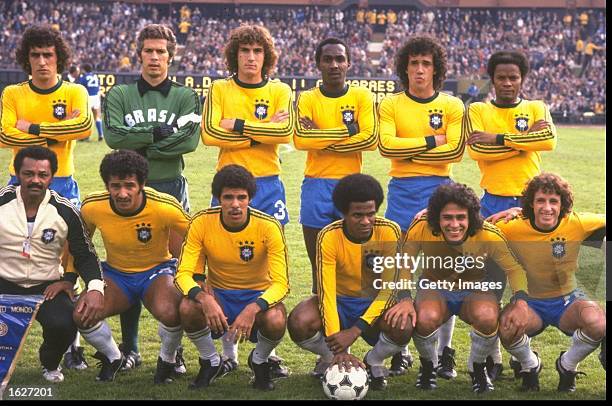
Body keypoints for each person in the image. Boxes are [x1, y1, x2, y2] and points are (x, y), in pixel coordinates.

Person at [103, 24, 200, 371]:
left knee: (177, 270)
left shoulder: (186, 96)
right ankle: (130, 348)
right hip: (131, 191)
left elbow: (189, 142)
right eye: (149, 51)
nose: (155, 57)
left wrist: (140, 142)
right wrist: (156, 135)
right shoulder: (119, 94)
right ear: (139, 54)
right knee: (130, 266)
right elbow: (114, 137)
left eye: (161, 51)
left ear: (171, 56)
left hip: (171, 188)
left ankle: (173, 353)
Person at [201, 24, 293, 373]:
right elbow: (210, 134)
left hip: (269, 183)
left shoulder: (280, 89)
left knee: (271, 258)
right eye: (245, 51)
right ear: (235, 55)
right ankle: (229, 352)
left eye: (257, 51)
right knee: (219, 256)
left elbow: (284, 133)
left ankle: (264, 350)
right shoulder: (220, 87)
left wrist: (235, 126)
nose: (251, 57)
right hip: (227, 184)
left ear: (266, 56)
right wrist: (262, 129)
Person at [377, 35, 465, 377]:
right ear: (405, 67)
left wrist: (408, 148)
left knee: (444, 273)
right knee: (399, 273)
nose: (419, 69)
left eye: (426, 63)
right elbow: (386, 147)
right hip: (401, 192)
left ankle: (445, 352)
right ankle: (399, 348)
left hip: (442, 192)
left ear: (436, 68)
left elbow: (455, 151)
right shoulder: (390, 104)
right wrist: (432, 141)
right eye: (413, 63)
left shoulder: (453, 105)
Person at [466, 50, 557, 378]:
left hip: (532, 207)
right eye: (501, 77)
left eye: (513, 77)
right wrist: (524, 140)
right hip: (492, 203)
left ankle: (523, 357)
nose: (507, 83)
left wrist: (500, 138)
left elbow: (547, 141)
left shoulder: (536, 107)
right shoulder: (478, 109)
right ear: (492, 79)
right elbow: (477, 148)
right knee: (490, 283)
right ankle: (492, 358)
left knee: (527, 286)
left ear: (523, 79)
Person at [287, 173, 414, 391]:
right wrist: (339, 350)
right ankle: (329, 358)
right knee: (299, 321)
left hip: (375, 302)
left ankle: (373, 360)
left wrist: (355, 330)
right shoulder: (328, 236)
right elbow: (325, 292)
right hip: (339, 301)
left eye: (370, 214)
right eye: (357, 215)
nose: (366, 221)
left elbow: (388, 291)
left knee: (404, 323)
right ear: (344, 213)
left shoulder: (389, 231)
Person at [76, 149, 192, 384]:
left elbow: (197, 237)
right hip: (116, 275)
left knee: (171, 310)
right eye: (115, 185)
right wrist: (78, 280)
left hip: (157, 272)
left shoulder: (164, 205)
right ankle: (114, 357)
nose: (122, 193)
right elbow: (79, 245)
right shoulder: (92, 206)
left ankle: (168, 358)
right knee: (82, 314)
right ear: (107, 185)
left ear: (142, 184)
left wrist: (194, 276)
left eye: (129, 185)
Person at [403, 182, 529, 393]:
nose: (454, 224)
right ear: (436, 217)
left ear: (470, 217)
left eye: (460, 217)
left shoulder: (487, 234)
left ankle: (477, 368)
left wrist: (521, 302)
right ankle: (429, 366)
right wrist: (405, 298)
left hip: (474, 288)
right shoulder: (422, 226)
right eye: (447, 217)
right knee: (424, 318)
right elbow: (404, 263)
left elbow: (515, 270)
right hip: (434, 287)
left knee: (488, 317)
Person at [175, 164, 289, 391]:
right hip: (219, 296)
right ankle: (210, 361)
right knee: (188, 307)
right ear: (218, 198)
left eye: (241, 197)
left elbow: (282, 283)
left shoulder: (268, 226)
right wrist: (204, 298)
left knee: (276, 319)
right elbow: (183, 274)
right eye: (228, 197)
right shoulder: (201, 222)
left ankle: (259, 362)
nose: (235, 204)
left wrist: (253, 308)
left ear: (250, 198)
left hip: (257, 295)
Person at [0, 146, 109, 383]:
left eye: (42, 175)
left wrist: (95, 288)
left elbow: (85, 254)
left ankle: (49, 363)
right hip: (4, 282)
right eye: (28, 174)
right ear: (18, 174)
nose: (35, 180)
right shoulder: (1, 202)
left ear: (52, 177)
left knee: (64, 324)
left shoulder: (65, 210)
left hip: (46, 286)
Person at [490, 173, 606, 392]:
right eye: (540, 201)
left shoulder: (577, 223)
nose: (547, 207)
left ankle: (567, 365)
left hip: (568, 301)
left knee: (598, 323)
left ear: (562, 205)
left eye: (554, 201)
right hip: (529, 303)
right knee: (506, 328)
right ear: (531, 204)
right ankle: (530, 364)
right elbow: (475, 229)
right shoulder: (511, 227)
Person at [294, 37, 377, 295]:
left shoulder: (361, 96)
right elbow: (300, 139)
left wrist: (322, 137)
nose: (334, 64)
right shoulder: (307, 98)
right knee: (317, 262)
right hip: (316, 184)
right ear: (318, 64)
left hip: (351, 186)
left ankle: (354, 309)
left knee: (354, 260)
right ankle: (320, 314)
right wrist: (348, 131)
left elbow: (370, 139)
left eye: (340, 59)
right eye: (327, 59)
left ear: (349, 63)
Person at [0, 25, 92, 207]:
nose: (42, 62)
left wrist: (34, 128)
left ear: (59, 58)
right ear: (27, 58)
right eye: (35, 55)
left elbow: (83, 127)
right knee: (14, 235)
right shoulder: (12, 93)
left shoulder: (75, 91)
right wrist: (52, 138)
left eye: (48, 55)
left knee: (68, 236)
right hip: (20, 180)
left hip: (61, 181)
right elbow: (4, 136)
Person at [78, 63, 103, 141]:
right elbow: (98, 87)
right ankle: (101, 134)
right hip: (96, 97)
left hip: (88, 97)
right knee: (97, 116)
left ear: (84, 69)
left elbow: (80, 87)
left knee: (87, 117)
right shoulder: (95, 77)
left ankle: (86, 136)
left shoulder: (84, 77)